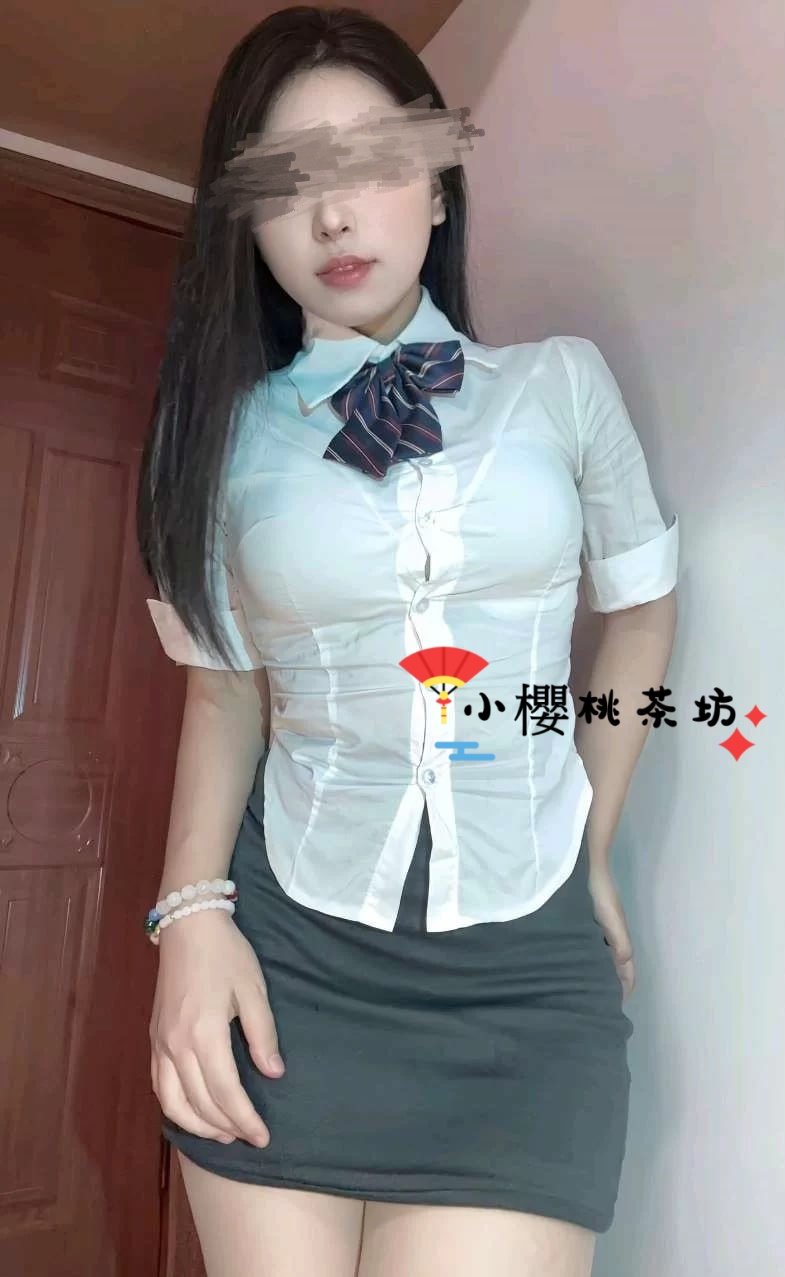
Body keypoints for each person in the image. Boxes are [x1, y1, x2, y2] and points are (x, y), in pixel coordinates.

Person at [136, 7, 679, 1276]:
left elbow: (642, 610)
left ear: (437, 184)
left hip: (524, 984)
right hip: (289, 967)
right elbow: (225, 697)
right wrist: (189, 920)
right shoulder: (217, 438)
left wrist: (593, 846)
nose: (332, 216)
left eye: (371, 162)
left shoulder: (557, 385)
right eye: (285, 182)